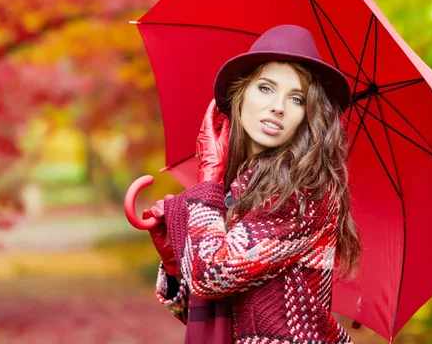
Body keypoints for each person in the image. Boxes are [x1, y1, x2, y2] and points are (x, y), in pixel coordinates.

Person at [142, 24, 361, 344]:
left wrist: (207, 178)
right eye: (266, 88)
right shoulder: (242, 185)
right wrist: (174, 264)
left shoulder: (304, 190)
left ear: (309, 114)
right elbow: (206, 312)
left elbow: (211, 276)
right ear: (240, 95)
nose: (278, 106)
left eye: (297, 98)